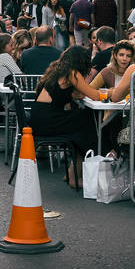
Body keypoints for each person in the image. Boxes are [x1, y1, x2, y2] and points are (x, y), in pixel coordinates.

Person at [31, 46, 105, 187]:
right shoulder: (72, 74)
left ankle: (74, 174)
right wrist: (112, 93)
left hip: (41, 118)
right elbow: (94, 95)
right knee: (86, 121)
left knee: (84, 121)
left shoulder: (58, 71)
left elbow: (77, 94)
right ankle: (78, 172)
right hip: (48, 120)